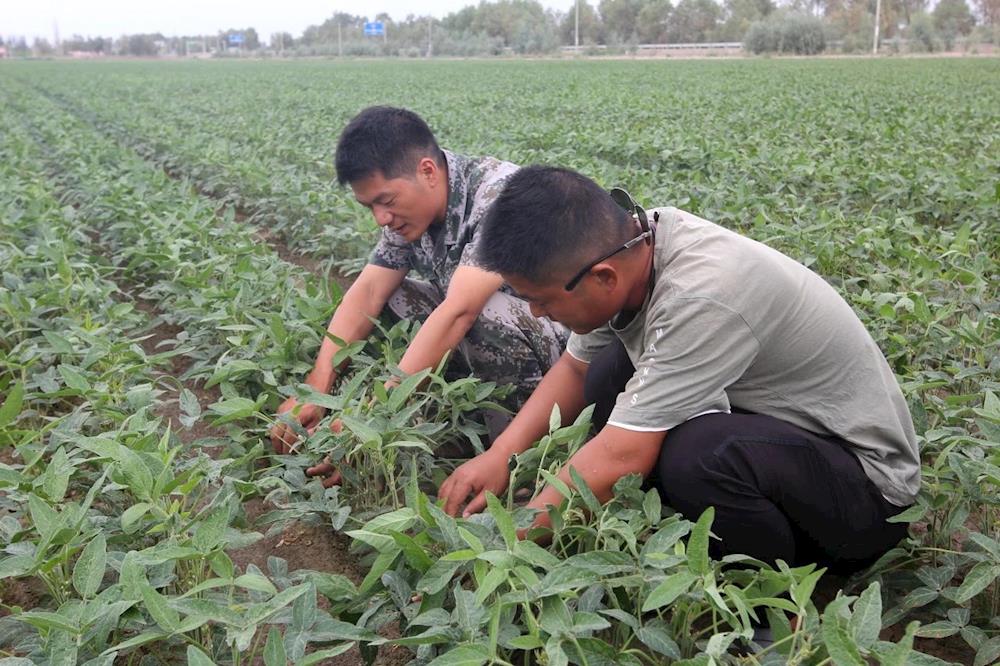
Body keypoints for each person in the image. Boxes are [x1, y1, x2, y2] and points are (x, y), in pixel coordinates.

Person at [439, 166, 919, 572]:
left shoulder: (702, 294)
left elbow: (621, 456)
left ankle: (768, 603)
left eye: (541, 301)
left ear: (603, 277)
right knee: (609, 371)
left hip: (867, 499)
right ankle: (694, 523)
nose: (538, 315)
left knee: (698, 457)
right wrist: (501, 457)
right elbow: (576, 371)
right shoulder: (629, 249)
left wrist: (505, 550)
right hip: (789, 446)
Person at [269, 108, 568, 483]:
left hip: (566, 356)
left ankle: (518, 458)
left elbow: (460, 311)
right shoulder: (410, 211)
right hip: (498, 337)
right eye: (370, 207)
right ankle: (451, 423)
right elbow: (368, 292)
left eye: (386, 201)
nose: (381, 217)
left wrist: (373, 420)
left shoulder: (498, 195)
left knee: (478, 313)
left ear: (427, 171)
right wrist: (318, 384)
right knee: (396, 299)